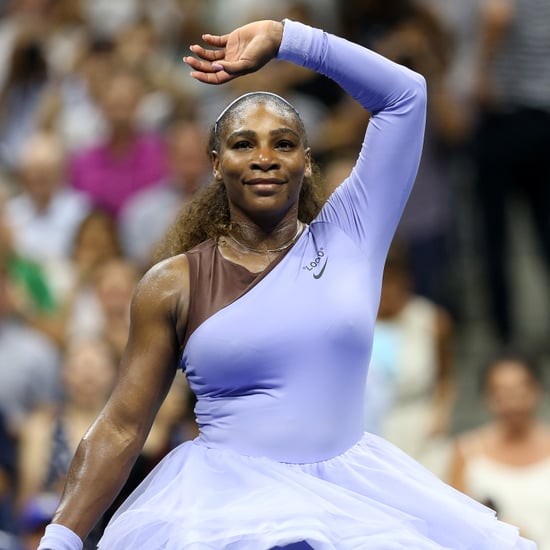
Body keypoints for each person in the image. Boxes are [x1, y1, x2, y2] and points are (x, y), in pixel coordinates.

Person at [37, 18, 535, 549]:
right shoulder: (171, 284)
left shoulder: (351, 236)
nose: (265, 158)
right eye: (244, 144)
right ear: (215, 163)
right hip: (220, 513)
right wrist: (59, 540)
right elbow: (120, 426)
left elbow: (405, 95)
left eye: (284, 142)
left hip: (353, 503)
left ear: (306, 160)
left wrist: (289, 39)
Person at [449, 350, 550, 549]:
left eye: (520, 389)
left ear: (536, 390)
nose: (512, 401)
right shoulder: (467, 451)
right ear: (487, 396)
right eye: (500, 392)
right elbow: (455, 526)